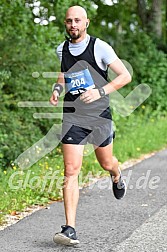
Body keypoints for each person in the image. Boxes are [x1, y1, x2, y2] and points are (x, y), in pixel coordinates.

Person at [50, 5, 132, 246]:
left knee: (107, 162)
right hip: (73, 116)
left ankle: (117, 175)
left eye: (77, 20)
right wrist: (56, 90)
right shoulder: (61, 49)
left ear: (86, 23)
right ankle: (70, 229)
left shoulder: (100, 47)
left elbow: (125, 76)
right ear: (65, 24)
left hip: (99, 116)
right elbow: (63, 74)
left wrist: (100, 92)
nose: (73, 25)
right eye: (68, 21)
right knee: (71, 170)